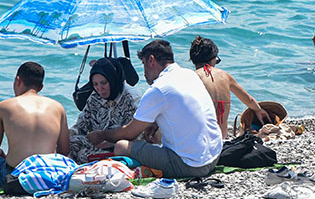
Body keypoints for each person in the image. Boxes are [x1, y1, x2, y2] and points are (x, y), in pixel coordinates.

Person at [87, 40, 222, 178]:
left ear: (151, 60)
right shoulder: (189, 74)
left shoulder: (158, 89)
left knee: (121, 146)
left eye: (144, 64)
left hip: (190, 166)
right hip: (214, 156)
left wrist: (101, 135)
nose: (144, 72)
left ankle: (143, 170)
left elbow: (129, 133)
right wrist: (154, 124)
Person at [0, 62, 70, 188]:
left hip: (13, 176)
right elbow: (64, 151)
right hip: (49, 174)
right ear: (41, 87)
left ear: (18, 80)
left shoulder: (3, 107)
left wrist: (0, 153)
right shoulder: (57, 107)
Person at [189, 36, 270, 139]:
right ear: (213, 59)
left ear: (192, 60)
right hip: (221, 139)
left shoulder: (192, 77)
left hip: (200, 139)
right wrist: (258, 110)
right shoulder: (225, 76)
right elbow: (249, 99)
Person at [68, 58, 139, 163]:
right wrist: (68, 134)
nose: (100, 89)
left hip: (119, 151)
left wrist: (111, 142)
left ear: (112, 79)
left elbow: (137, 134)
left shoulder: (131, 98)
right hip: (95, 148)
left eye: (104, 83)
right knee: (68, 144)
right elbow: (81, 125)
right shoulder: (95, 96)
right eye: (95, 84)